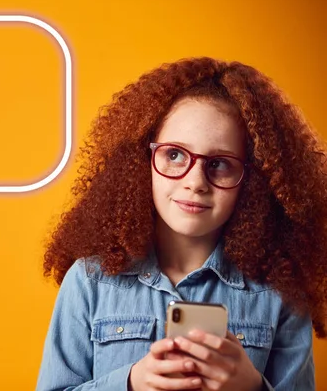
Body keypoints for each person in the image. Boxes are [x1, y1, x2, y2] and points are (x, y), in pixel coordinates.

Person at [35, 57, 326, 391]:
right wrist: (130, 384)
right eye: (174, 155)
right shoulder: (90, 282)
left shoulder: (280, 295)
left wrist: (253, 387)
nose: (196, 182)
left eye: (219, 163)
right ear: (143, 160)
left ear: (253, 181)